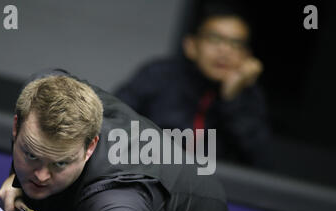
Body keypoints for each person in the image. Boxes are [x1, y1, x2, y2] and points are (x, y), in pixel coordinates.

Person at [0, 69, 238, 211]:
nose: (41, 175)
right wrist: (16, 176)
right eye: (31, 155)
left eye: (60, 163)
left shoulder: (118, 190)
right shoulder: (43, 94)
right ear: (17, 127)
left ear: (90, 148)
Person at [115, 5, 271, 168]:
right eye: (214, 39)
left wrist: (233, 100)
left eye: (236, 44)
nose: (224, 50)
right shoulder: (159, 76)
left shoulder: (248, 96)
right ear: (191, 46)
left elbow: (261, 163)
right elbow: (112, 123)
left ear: (247, 56)